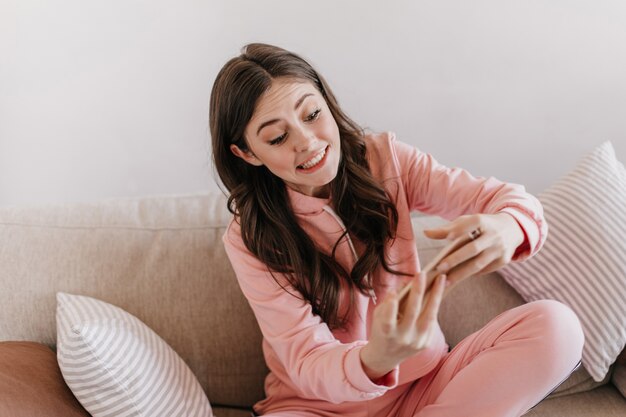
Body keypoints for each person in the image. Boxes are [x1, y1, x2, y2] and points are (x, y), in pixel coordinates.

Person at [209, 43, 584, 417]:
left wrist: (510, 226)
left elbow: (507, 199)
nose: (307, 142)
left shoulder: (388, 161)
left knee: (557, 327)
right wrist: (376, 358)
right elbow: (306, 361)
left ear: (326, 99)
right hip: (317, 409)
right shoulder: (248, 237)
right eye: (277, 138)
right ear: (247, 154)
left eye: (311, 114)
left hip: (427, 391)